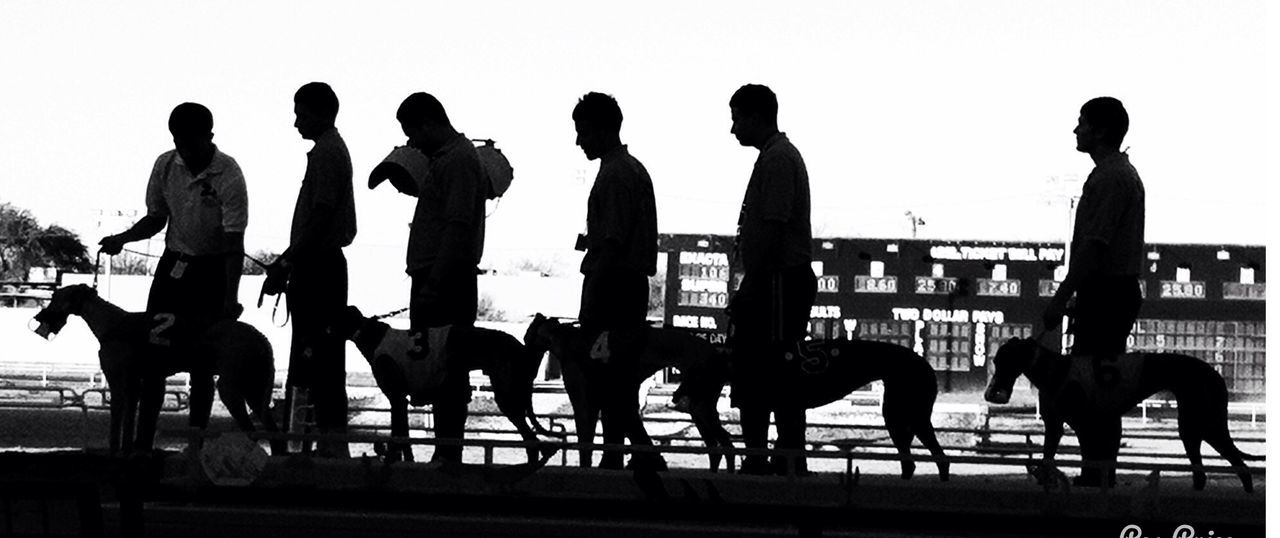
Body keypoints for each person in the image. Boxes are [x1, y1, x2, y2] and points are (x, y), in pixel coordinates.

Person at [98, 102, 248, 440]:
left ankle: (196, 439)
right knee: (153, 358)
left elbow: (233, 242)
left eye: (190, 141)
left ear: (208, 136)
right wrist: (122, 239)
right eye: (178, 140)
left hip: (209, 271)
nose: (183, 148)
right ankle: (143, 441)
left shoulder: (229, 174)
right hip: (173, 267)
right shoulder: (165, 165)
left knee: (202, 364)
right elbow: (155, 217)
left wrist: (230, 297)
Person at [1042, 96, 1145, 486]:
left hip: (1106, 294)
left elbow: (1094, 246)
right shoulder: (1118, 173)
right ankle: (1098, 472)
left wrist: (1059, 298)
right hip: (1109, 293)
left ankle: (1097, 475)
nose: (1076, 129)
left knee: (1092, 389)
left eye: (1081, 122)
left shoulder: (1110, 178)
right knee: (1099, 389)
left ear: (1100, 130)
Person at [725, 84, 818, 475]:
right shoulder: (772, 156)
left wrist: (751, 284)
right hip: (772, 279)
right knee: (755, 369)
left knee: (776, 371)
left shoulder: (779, 159)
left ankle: (785, 459)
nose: (732, 130)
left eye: (736, 119)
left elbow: (774, 229)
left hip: (779, 280)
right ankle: (764, 456)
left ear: (755, 116)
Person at [396, 92, 487, 464]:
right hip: (438, 277)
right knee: (436, 369)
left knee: (448, 370)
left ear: (429, 123)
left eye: (412, 132)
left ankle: (448, 453)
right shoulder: (447, 160)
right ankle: (444, 451)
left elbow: (457, 226)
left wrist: (434, 281)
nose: (411, 143)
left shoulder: (459, 160)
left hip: (446, 280)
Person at [572, 92, 661, 470]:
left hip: (613, 288)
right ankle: (621, 454)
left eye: (584, 132)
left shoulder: (615, 175)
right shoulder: (631, 169)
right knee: (617, 379)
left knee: (606, 378)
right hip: (628, 286)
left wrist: (591, 296)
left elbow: (610, 243)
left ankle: (635, 451)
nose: (579, 142)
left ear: (605, 129)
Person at [268, 82, 357, 457]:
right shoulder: (329, 150)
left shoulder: (326, 154)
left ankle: (322, 448)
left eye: (301, 114)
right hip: (319, 266)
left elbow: (319, 216)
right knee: (319, 358)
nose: (295, 123)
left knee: (315, 359)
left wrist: (287, 260)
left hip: (318, 268)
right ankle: (321, 445)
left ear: (322, 113)